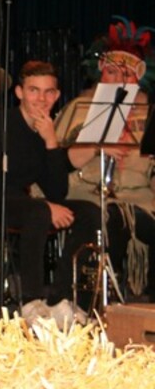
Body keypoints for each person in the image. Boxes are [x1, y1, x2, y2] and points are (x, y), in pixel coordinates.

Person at [0, 61, 75, 324]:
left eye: (48, 92)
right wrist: (44, 206)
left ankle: (60, 297)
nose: (41, 99)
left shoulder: (44, 130)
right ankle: (31, 302)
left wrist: (51, 142)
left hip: (15, 202)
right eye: (33, 90)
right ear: (19, 92)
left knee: (87, 212)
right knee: (38, 211)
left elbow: (58, 192)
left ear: (56, 96)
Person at [51, 17, 155, 312]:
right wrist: (96, 147)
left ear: (139, 78)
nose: (119, 80)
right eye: (111, 72)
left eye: (126, 74)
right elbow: (54, 163)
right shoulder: (79, 109)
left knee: (127, 217)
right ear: (100, 74)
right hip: (87, 194)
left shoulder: (148, 114)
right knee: (108, 218)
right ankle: (83, 303)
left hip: (140, 200)